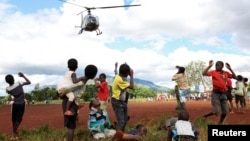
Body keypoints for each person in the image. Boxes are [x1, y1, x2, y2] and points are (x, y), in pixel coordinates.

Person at [60, 64, 98, 141]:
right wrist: (62, 94)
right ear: (94, 75)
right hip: (70, 103)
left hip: (72, 103)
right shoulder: (81, 82)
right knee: (71, 127)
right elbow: (69, 88)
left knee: (71, 126)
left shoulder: (83, 81)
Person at [202, 60, 236, 124]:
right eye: (216, 65)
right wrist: (209, 66)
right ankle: (205, 116)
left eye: (218, 65)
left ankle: (220, 122)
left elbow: (235, 77)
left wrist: (230, 69)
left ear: (222, 66)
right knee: (217, 111)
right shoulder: (213, 72)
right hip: (216, 94)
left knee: (225, 111)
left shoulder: (226, 73)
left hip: (223, 94)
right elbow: (203, 73)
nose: (216, 66)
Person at [5, 72, 31, 139]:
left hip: (14, 105)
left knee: (13, 119)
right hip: (21, 104)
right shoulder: (19, 83)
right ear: (13, 79)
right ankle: (14, 132)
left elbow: (9, 92)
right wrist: (23, 76)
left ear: (7, 81)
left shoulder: (7, 88)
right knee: (19, 119)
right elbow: (29, 82)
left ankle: (14, 132)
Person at [111, 63, 134, 134]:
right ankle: (117, 137)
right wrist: (132, 76)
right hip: (117, 102)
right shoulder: (120, 80)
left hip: (121, 102)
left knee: (125, 120)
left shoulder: (118, 76)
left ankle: (121, 135)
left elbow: (116, 72)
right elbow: (131, 86)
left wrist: (117, 67)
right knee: (121, 121)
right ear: (127, 73)